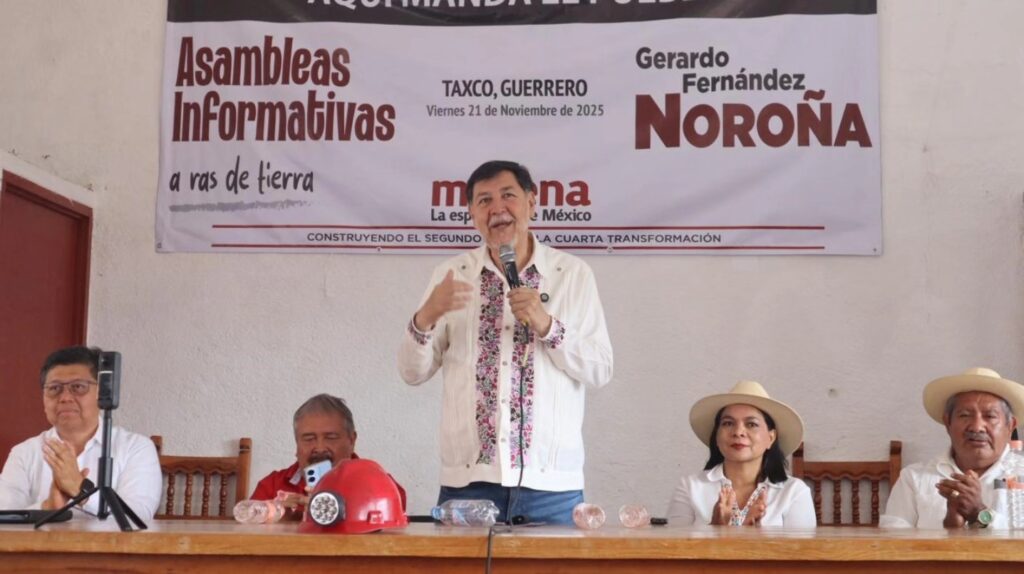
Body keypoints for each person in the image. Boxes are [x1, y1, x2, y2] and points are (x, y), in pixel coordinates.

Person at [397, 160, 613, 525]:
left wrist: (547, 326)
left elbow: (600, 369)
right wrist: (426, 317)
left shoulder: (572, 275)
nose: (497, 209)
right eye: (484, 201)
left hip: (552, 490)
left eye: (508, 195)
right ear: (472, 214)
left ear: (532, 202)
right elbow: (411, 372)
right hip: (468, 486)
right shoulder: (451, 275)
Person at [0, 346, 161, 521]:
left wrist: (80, 490)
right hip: (44, 540)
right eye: (54, 388)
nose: (65, 398)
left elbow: (138, 516)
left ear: (101, 392)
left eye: (78, 387)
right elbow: (4, 516)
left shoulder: (136, 447)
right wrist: (48, 508)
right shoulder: (24, 452)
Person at [881, 367, 1024, 529]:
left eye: (990, 416)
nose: (977, 427)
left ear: (1010, 425)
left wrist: (978, 513)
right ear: (948, 422)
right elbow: (893, 539)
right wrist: (950, 530)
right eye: (965, 415)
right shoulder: (914, 478)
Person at [667, 380, 816, 527]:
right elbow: (674, 543)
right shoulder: (690, 487)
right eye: (728, 423)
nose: (738, 432)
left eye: (751, 424)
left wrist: (755, 538)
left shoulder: (794, 492)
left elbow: (802, 544)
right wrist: (715, 528)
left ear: (771, 438)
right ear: (716, 437)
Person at [250, 394, 406, 517]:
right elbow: (247, 531)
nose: (319, 448)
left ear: (352, 440)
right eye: (309, 439)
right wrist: (273, 515)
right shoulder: (272, 486)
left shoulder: (382, 485)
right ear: (297, 443)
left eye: (331, 438)